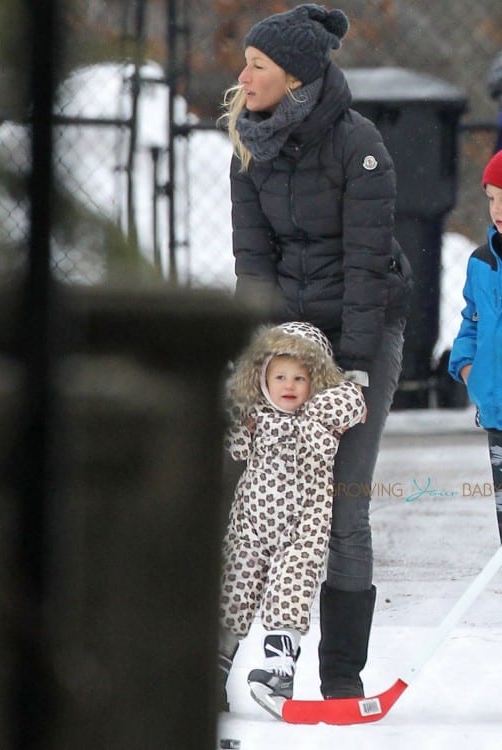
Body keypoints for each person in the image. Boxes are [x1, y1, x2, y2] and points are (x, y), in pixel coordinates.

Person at [219, 3, 412, 700]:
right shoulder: (249, 142)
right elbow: (254, 259)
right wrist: (257, 360)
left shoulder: (359, 146)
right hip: (290, 331)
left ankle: (339, 677)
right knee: (256, 490)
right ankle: (224, 664)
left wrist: (354, 369)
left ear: (295, 78)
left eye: (258, 66)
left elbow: (366, 265)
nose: (242, 76)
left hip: (362, 325)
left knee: (342, 500)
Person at [218, 321, 366, 716]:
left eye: (300, 377)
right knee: (233, 593)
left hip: (302, 531)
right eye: (279, 376)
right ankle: (213, 673)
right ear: (263, 378)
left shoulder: (319, 417)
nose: (289, 385)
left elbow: (352, 400)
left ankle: (278, 671)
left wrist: (315, 407)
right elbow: (232, 441)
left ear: (315, 381)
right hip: (249, 526)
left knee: (290, 593)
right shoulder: (255, 415)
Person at [449, 149, 502, 544]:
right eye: (491, 197)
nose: (497, 208)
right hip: (497, 411)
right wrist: (468, 366)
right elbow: (471, 322)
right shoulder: (481, 262)